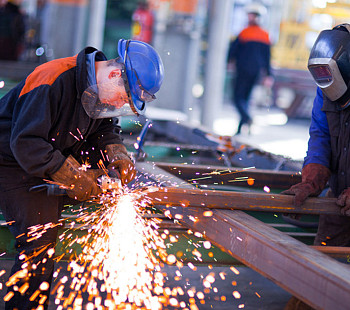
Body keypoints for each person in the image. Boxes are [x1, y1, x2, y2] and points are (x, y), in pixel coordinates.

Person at [0, 39, 164, 309]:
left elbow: (104, 130)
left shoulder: (99, 91)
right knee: (39, 242)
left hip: (50, 157)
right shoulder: (52, 79)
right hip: (11, 162)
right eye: (123, 98)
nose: (119, 104)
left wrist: (117, 154)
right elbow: (26, 143)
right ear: (114, 74)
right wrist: (72, 177)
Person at [282, 24, 350, 310]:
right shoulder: (328, 87)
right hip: (339, 203)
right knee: (312, 286)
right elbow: (321, 132)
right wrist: (314, 173)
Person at [227, 2, 273, 135]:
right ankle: (242, 127)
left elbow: (233, 51)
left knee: (237, 97)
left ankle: (247, 119)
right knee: (245, 99)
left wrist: (229, 62)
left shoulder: (244, 33)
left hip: (243, 70)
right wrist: (268, 74)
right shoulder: (265, 35)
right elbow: (267, 57)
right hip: (255, 71)